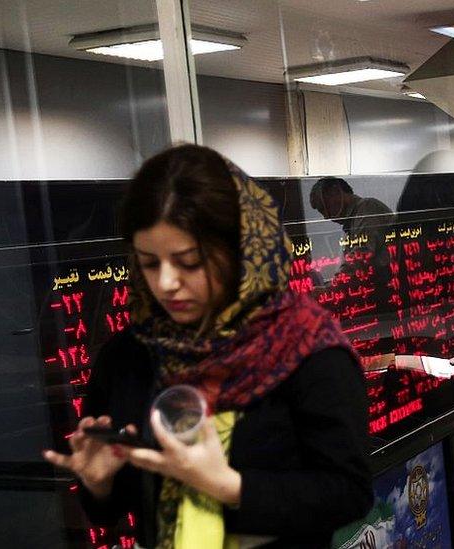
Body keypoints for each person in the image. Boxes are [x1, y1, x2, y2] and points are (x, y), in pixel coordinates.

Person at [43, 145, 373, 549]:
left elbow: (347, 493)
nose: (165, 283)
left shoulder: (308, 354)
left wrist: (230, 487)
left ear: (238, 253)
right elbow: (116, 509)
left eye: (188, 261)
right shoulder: (128, 357)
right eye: (150, 262)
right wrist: (99, 482)